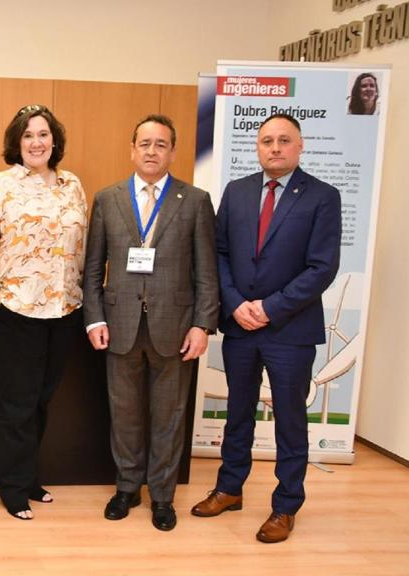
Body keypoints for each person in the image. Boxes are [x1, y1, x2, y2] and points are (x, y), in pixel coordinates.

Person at [191, 113, 341, 543]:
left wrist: (271, 308)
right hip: (240, 326)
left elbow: (322, 267)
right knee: (237, 413)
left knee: (289, 419)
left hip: (289, 329)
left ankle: (285, 505)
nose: (274, 148)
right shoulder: (236, 192)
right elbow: (218, 253)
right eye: (266, 141)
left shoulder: (321, 196)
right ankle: (229, 488)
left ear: (299, 146)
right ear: (257, 147)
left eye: (283, 141)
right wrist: (236, 303)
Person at [83, 114, 218, 532]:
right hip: (119, 324)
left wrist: (202, 325)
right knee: (124, 414)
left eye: (161, 144)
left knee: (169, 415)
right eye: (145, 143)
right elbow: (91, 270)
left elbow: (206, 273)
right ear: (132, 149)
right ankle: (126, 488)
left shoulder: (194, 200)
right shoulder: (108, 199)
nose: (152, 151)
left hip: (175, 328)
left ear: (173, 152)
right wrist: (94, 319)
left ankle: (162, 495)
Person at [0, 104, 86, 520]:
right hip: (16, 311)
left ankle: (30, 476)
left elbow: (82, 247)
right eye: (29, 135)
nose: (37, 142)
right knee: (17, 404)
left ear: (55, 140)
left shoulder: (72, 185)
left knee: (41, 402)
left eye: (43, 134)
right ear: (17, 143)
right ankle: (12, 488)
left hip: (64, 309)